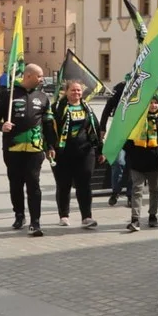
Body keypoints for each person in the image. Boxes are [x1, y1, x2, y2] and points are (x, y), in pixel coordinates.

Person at [0, 64, 53, 236]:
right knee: (16, 183)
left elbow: (47, 125)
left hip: (35, 149)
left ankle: (36, 222)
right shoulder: (7, 95)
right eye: (39, 76)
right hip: (13, 149)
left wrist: (50, 146)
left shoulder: (43, 97)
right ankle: (19, 214)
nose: (42, 79)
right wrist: (1, 125)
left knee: (33, 182)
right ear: (29, 76)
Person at [48, 80, 103, 228]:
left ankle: (87, 217)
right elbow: (48, 130)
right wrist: (50, 147)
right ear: (66, 92)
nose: (76, 93)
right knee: (63, 185)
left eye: (79, 90)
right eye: (73, 90)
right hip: (62, 153)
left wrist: (99, 150)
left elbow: (95, 129)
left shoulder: (87, 108)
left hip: (85, 152)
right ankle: (64, 215)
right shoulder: (57, 108)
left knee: (84, 184)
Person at [123, 97, 158, 232]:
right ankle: (135, 219)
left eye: (156, 103)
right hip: (137, 162)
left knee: (154, 190)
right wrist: (132, 153)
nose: (153, 105)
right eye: (150, 102)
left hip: (155, 164)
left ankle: (152, 215)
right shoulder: (136, 119)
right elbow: (127, 139)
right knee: (137, 189)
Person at [100, 74, 134, 208]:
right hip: (118, 133)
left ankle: (130, 196)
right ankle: (115, 192)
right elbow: (107, 109)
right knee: (118, 163)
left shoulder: (144, 89)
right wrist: (102, 128)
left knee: (132, 166)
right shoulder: (120, 89)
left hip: (134, 134)